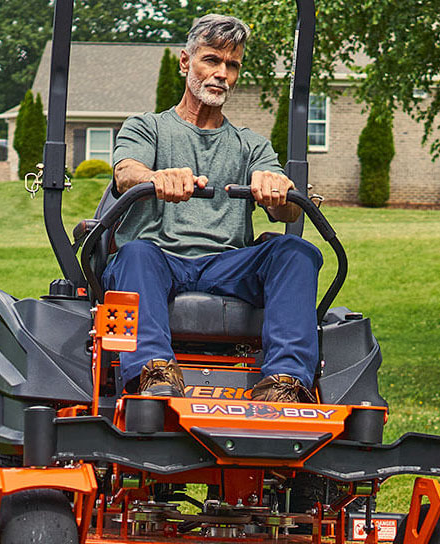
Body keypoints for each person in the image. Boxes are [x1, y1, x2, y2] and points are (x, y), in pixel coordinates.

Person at [103, 13, 322, 403]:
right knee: (134, 254)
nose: (222, 73)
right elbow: (126, 173)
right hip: (159, 259)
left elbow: (288, 212)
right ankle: (154, 375)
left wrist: (278, 190)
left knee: (297, 250)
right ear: (186, 62)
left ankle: (284, 382)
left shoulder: (251, 145)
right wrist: (156, 178)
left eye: (232, 65)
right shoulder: (147, 127)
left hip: (227, 264)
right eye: (212, 60)